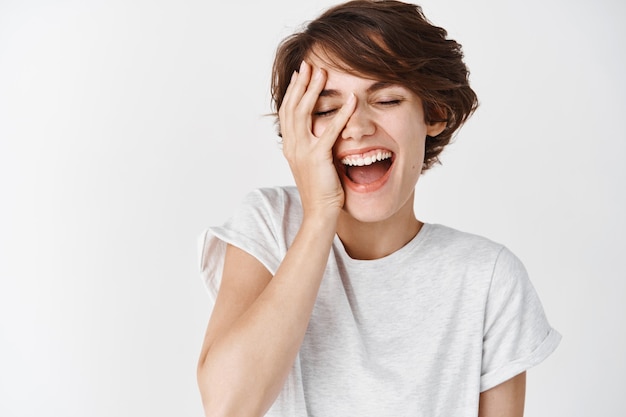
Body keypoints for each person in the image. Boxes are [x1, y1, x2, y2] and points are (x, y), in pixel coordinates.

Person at [196, 1, 561, 416]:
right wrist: (319, 215)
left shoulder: (488, 276)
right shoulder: (269, 223)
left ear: (434, 111)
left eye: (386, 99)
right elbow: (228, 406)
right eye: (327, 109)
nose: (356, 126)